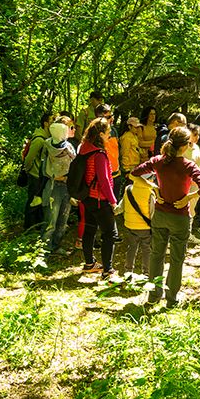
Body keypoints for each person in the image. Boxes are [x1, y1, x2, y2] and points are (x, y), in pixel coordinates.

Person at [132, 126, 200, 309]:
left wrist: (153, 187)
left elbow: (134, 174)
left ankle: (153, 296)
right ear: (185, 146)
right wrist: (189, 197)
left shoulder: (159, 161)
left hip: (160, 214)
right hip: (179, 217)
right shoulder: (188, 165)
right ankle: (171, 298)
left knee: (156, 255)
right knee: (176, 259)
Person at [79, 117, 118, 279]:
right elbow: (104, 181)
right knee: (110, 233)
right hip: (99, 199)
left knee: (89, 230)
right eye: (108, 133)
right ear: (100, 134)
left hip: (87, 197)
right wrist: (113, 201)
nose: (109, 136)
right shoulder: (100, 154)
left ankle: (89, 263)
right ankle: (108, 270)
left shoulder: (84, 148)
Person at [41, 116, 76, 255]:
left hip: (66, 186)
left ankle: (55, 246)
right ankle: (44, 250)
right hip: (54, 186)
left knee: (63, 218)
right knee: (51, 219)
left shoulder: (68, 146)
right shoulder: (48, 145)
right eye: (71, 127)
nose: (73, 130)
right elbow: (43, 168)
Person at [116, 174, 156, 279]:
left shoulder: (128, 189)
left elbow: (121, 206)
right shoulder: (150, 193)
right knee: (147, 249)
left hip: (130, 225)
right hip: (145, 228)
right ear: (148, 180)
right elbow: (153, 211)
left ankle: (128, 271)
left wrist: (115, 210)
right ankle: (146, 273)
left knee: (131, 248)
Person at [24, 112, 53, 231]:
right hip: (35, 175)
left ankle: (37, 226)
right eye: (52, 121)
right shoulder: (39, 140)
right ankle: (28, 228)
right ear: (46, 124)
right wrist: (31, 171)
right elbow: (29, 158)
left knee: (40, 202)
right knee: (32, 202)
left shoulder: (47, 138)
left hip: (42, 175)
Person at [184, 123, 200, 245]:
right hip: (184, 183)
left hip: (194, 184)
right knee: (182, 208)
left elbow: (198, 165)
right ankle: (175, 236)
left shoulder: (196, 147)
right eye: (194, 134)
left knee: (192, 209)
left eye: (198, 135)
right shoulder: (182, 147)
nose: (197, 137)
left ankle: (188, 233)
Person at [120, 116, 144, 186]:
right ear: (129, 127)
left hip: (135, 165)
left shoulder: (134, 136)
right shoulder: (126, 138)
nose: (137, 129)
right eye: (135, 127)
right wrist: (126, 170)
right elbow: (124, 153)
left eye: (138, 127)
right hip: (129, 167)